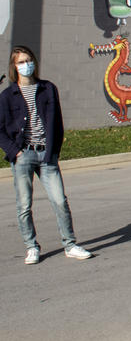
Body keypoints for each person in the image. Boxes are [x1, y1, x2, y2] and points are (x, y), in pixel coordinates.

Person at [0, 46, 92, 264]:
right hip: (23, 156)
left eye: (28, 60)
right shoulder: (7, 96)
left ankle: (70, 244)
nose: (26, 65)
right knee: (24, 205)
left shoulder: (48, 89)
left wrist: (54, 151)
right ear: (14, 66)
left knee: (60, 201)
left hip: (47, 156)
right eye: (21, 62)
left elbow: (57, 124)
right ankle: (31, 247)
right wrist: (16, 152)